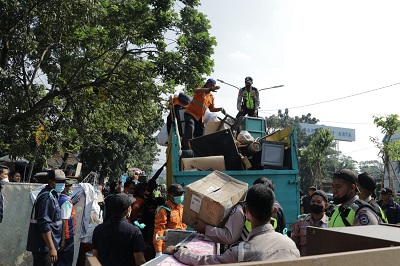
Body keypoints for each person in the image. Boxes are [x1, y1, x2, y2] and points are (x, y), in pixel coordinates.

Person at [164, 184, 300, 264]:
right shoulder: (290, 245)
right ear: (274, 210)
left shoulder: (241, 252)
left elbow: (205, 262)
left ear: (246, 211)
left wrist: (178, 251)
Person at [193, 177, 285, 250]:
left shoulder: (241, 209)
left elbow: (229, 237)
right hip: (269, 252)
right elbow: (283, 232)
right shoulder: (278, 209)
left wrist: (206, 229)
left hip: (244, 255)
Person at [26, 169, 68, 266]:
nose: (62, 184)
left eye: (63, 181)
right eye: (59, 182)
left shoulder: (52, 195)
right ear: (50, 182)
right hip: (44, 247)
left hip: (48, 245)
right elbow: (44, 225)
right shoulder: (46, 197)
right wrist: (51, 248)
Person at [92, 193, 146, 266]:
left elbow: (95, 257)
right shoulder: (134, 231)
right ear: (127, 210)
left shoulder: (98, 229)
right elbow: (140, 262)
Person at [181, 78, 225, 150]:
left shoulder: (211, 97)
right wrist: (210, 89)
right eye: (211, 85)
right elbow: (197, 90)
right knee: (190, 128)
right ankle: (185, 148)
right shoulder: (201, 90)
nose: (212, 87)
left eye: (213, 86)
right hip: (190, 113)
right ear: (207, 84)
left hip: (199, 117)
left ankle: (196, 149)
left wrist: (220, 109)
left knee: (200, 133)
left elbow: (212, 109)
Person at [291, 190, 329, 256]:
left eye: (318, 202)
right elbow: (293, 245)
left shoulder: (330, 224)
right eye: (313, 202)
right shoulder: (301, 222)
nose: (315, 204)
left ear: (326, 205)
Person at [153, 184, 187, 257]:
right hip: (168, 247)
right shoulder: (163, 210)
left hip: (181, 244)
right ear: (170, 195)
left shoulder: (182, 208)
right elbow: (159, 230)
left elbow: (184, 226)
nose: (180, 196)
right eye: (177, 194)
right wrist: (158, 251)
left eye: (181, 193)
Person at [57, 179, 77, 266]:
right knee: (65, 261)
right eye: (71, 186)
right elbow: (64, 220)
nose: (73, 188)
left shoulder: (60, 198)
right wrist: (63, 241)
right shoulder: (66, 201)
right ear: (65, 188)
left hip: (63, 235)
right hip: (67, 236)